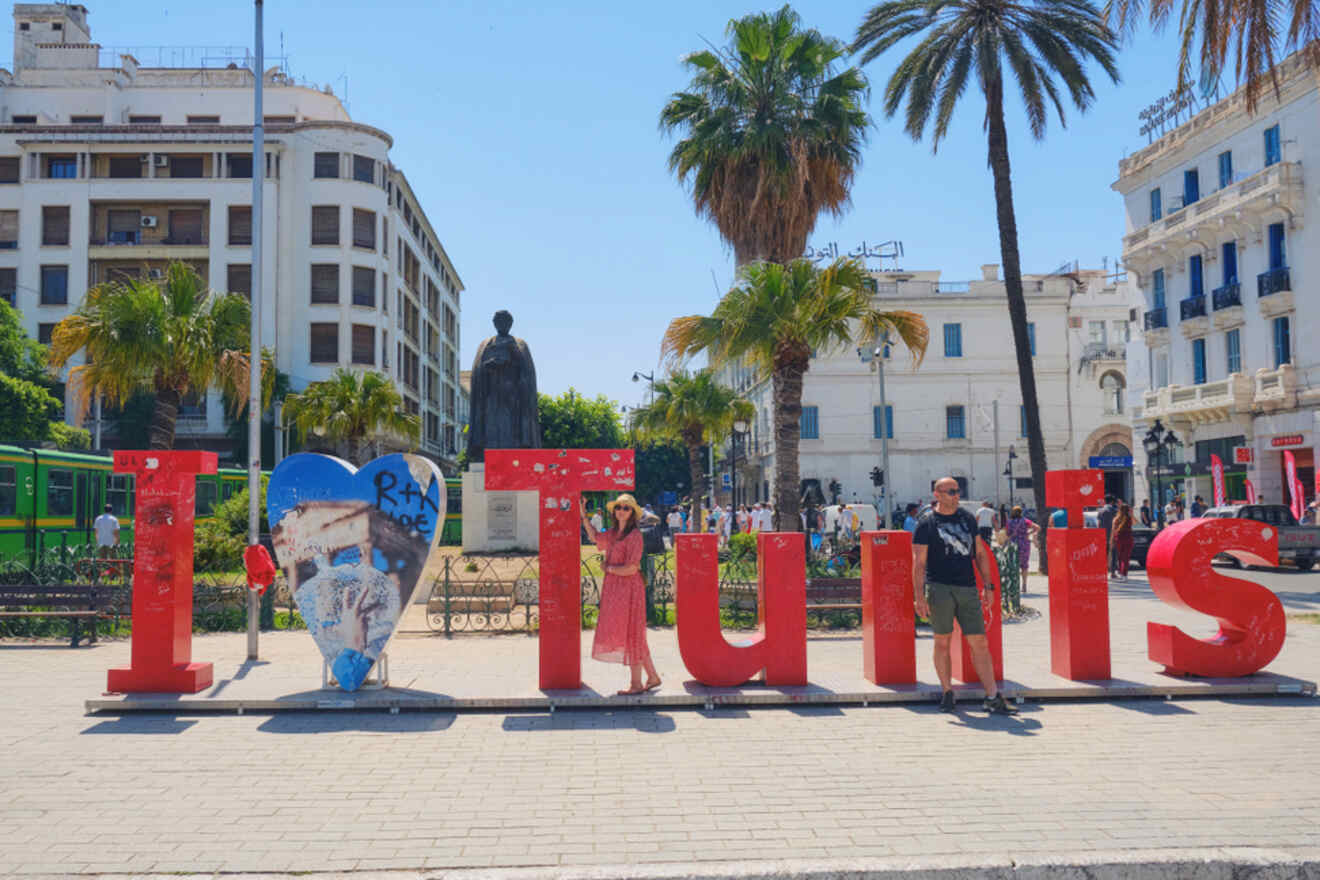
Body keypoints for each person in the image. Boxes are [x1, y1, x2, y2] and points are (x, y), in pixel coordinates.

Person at [913, 477, 1016, 715]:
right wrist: (919, 597)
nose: (956, 495)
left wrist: (988, 586)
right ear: (937, 494)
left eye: (958, 491)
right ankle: (947, 692)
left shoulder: (968, 519)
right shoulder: (926, 524)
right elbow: (919, 564)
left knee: (979, 641)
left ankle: (991, 696)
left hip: (967, 587)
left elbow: (980, 554)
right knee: (942, 640)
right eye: (951, 491)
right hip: (939, 588)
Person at [579, 493, 661, 696]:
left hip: (630, 589)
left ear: (632, 513)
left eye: (626, 508)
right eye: (619, 507)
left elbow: (632, 568)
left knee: (633, 633)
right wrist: (583, 515)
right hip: (616, 589)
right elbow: (595, 538)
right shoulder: (614, 533)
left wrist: (608, 568)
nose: (621, 511)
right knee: (634, 634)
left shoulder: (634, 536)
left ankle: (636, 684)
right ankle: (652, 677)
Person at [1003, 506, 1039, 595]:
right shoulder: (1025, 521)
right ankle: (1024, 585)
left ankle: (1014, 586)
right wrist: (1028, 533)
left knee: (1013, 565)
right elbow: (1037, 527)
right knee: (1024, 565)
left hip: (1013, 545)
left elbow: (1007, 534)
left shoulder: (1009, 522)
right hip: (1024, 544)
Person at [1111, 502, 1135, 580]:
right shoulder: (1129, 518)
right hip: (1128, 538)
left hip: (1118, 538)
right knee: (1126, 557)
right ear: (1128, 510)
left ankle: (1120, 572)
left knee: (1120, 556)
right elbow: (1135, 523)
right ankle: (1124, 574)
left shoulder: (1116, 519)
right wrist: (1131, 514)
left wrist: (1111, 540)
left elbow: (1113, 530)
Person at [1097, 495, 1117, 576]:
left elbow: (1098, 523)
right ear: (1112, 502)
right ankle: (1112, 572)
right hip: (1112, 534)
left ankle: (1102, 570)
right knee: (1113, 552)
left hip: (1103, 535)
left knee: (1103, 553)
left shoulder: (1100, 511)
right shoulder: (1114, 510)